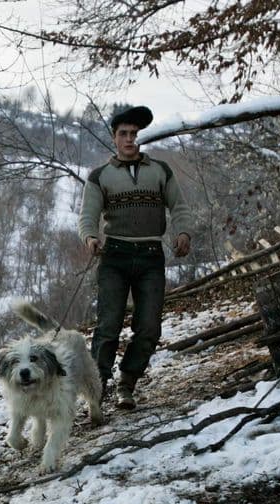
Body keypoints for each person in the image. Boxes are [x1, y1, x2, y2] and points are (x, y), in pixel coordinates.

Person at [78, 105, 193, 410]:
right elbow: (87, 217)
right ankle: (98, 389)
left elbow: (179, 207)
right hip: (114, 255)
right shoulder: (100, 176)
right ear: (114, 138)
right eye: (123, 134)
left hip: (151, 255)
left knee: (149, 327)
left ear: (141, 138)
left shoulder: (160, 171)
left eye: (134, 134)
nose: (129, 139)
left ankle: (127, 383)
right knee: (108, 326)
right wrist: (90, 238)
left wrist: (183, 232)